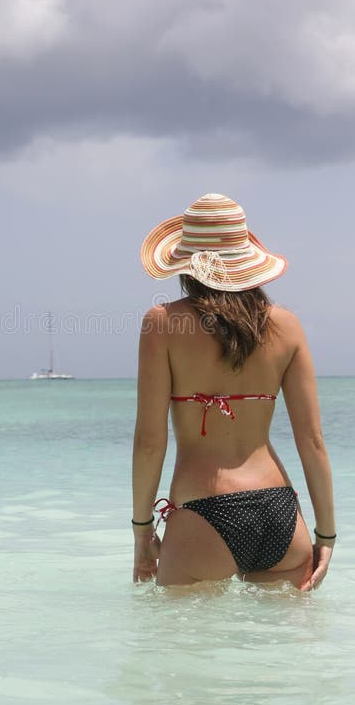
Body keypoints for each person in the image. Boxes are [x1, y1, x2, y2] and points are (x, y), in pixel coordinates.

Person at [132, 193, 336, 590]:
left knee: (183, 651)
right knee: (283, 653)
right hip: (280, 514)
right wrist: (326, 534)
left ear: (186, 263)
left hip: (202, 515)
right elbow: (312, 441)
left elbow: (149, 443)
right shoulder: (287, 326)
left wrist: (142, 531)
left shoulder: (163, 324)